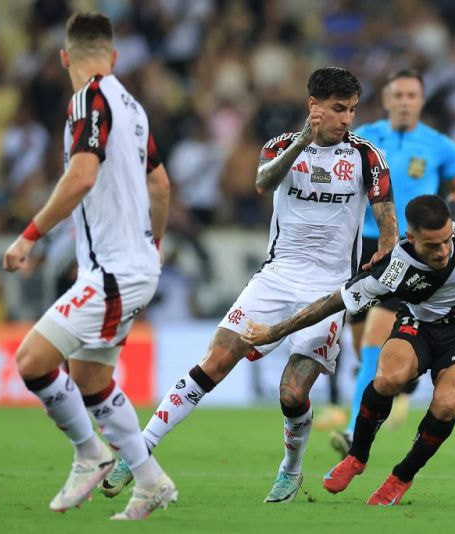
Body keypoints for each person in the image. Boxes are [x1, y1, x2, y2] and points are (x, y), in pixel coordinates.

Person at [101, 66, 398, 504]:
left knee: (292, 393)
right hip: (276, 277)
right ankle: (140, 449)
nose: (347, 119)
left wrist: (384, 255)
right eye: (339, 109)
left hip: (330, 288)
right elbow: (262, 182)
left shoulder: (367, 157)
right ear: (313, 106)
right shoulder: (280, 146)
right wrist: (302, 141)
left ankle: (290, 468)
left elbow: (387, 220)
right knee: (215, 361)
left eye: (352, 109)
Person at [242, 195, 455, 505]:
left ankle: (401, 477)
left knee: (446, 405)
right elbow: (331, 303)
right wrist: (274, 331)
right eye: (432, 245)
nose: (443, 251)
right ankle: (356, 457)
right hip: (418, 328)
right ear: (411, 237)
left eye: (446, 240)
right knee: (388, 378)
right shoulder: (392, 269)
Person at [2, 12, 172, 520]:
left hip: (115, 270)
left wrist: (29, 236)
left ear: (64, 58)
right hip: (131, 266)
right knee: (91, 378)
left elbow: (81, 177)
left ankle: (89, 453)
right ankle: (151, 481)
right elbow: (161, 185)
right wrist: (155, 243)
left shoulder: (87, 99)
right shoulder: (133, 107)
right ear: (114, 56)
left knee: (32, 361)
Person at [334, 69, 455, 457]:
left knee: (375, 337)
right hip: (362, 244)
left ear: (421, 101)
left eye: (412, 95)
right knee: (361, 345)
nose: (405, 102)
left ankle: (353, 431)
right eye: (398, 95)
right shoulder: (362, 139)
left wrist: (448, 214)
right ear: (386, 100)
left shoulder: (439, 146)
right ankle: (406, 382)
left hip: (408, 248)